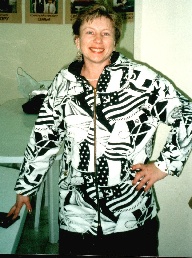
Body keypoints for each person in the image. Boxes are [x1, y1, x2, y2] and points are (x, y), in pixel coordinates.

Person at [8, 4, 192, 256]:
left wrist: (163, 165)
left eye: (106, 33)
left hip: (131, 215)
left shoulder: (141, 79)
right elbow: (44, 138)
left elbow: (187, 115)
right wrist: (25, 187)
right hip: (76, 218)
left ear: (115, 41)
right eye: (89, 32)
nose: (97, 40)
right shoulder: (63, 82)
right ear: (77, 40)